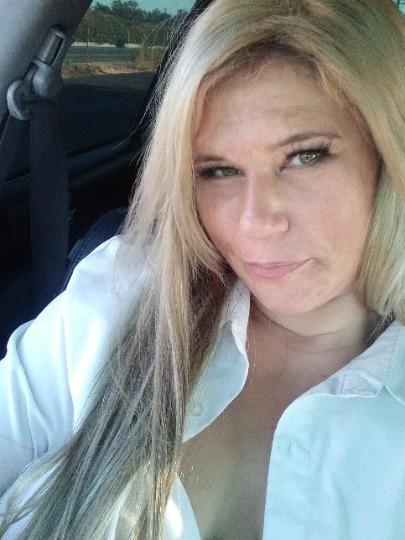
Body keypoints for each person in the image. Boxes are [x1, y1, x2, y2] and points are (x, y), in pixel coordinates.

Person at [1, 0, 405, 538]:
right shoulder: (123, 289)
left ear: (387, 154)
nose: (255, 221)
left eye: (305, 155)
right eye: (218, 170)